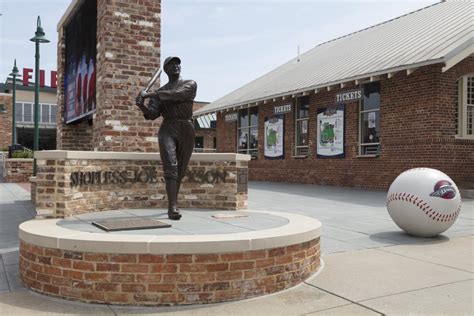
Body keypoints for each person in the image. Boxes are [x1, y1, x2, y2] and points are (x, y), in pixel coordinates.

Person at [135, 56, 197, 220]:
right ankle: (173, 207)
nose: (176, 66)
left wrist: (149, 94)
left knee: (181, 171)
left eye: (178, 64)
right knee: (171, 167)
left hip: (186, 128)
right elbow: (152, 114)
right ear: (166, 69)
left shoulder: (189, 84)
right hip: (168, 128)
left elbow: (176, 95)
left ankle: (173, 202)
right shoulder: (158, 94)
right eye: (172, 64)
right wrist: (142, 104)